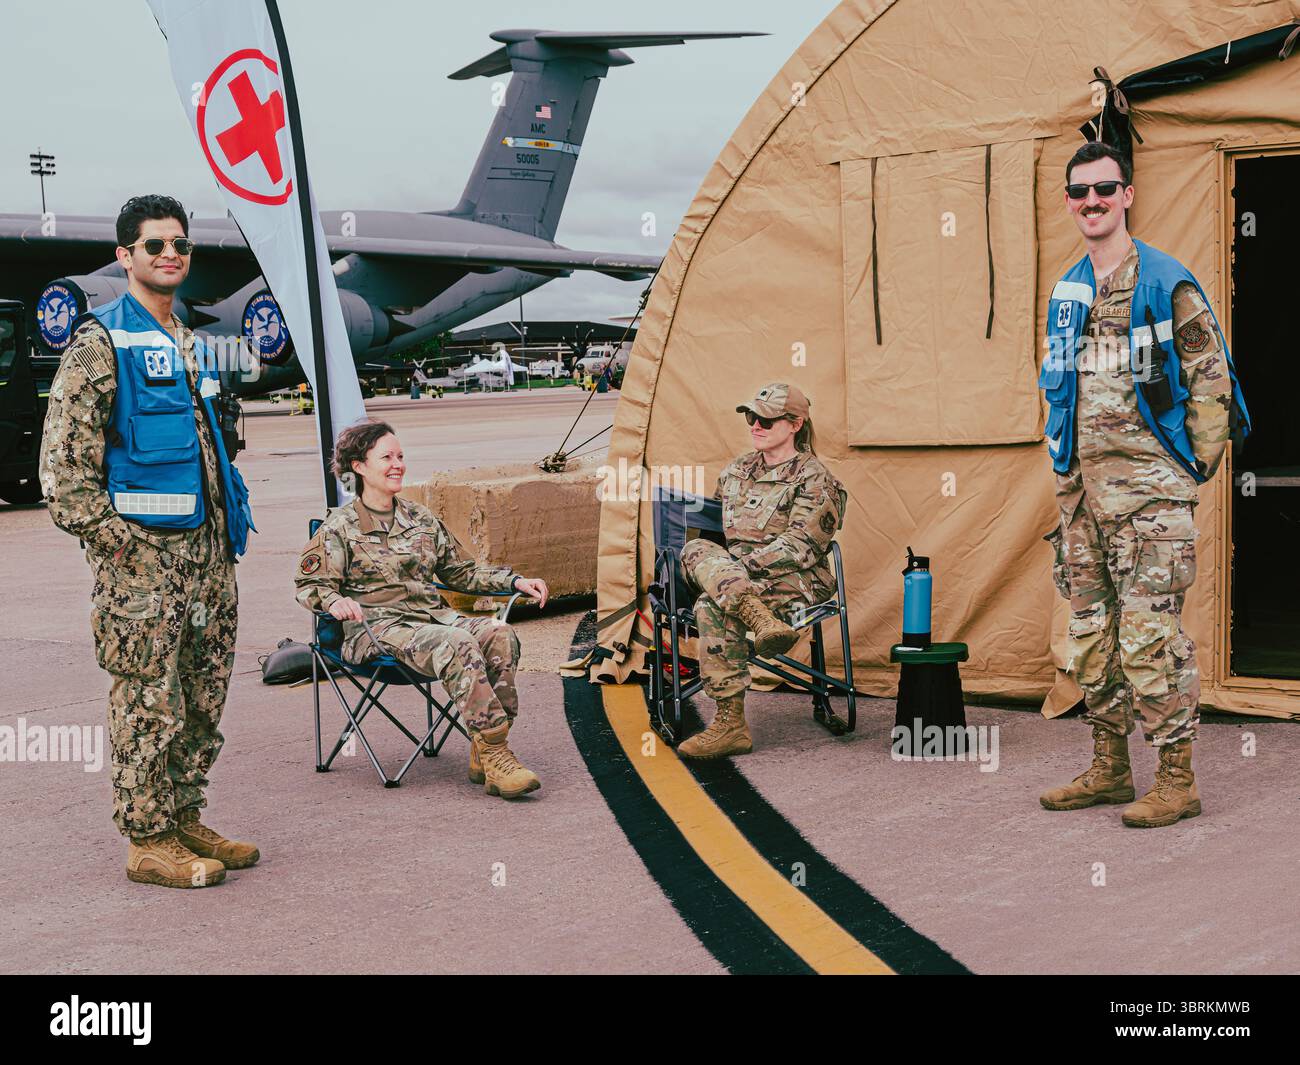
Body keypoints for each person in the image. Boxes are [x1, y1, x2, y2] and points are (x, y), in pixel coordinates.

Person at [39, 194, 258, 888]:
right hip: (146, 572)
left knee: (201, 697)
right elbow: (63, 474)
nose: (172, 254)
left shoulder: (186, 341)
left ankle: (184, 815)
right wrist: (122, 548)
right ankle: (146, 837)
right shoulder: (99, 344)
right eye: (155, 244)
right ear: (124, 256)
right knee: (148, 702)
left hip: (207, 563)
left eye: (181, 244)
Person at [1038, 142, 1250, 827]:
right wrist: (1066, 469)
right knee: (1091, 633)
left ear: (1127, 194)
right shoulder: (1068, 289)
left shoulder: (1164, 280)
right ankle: (1109, 767)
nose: (1092, 201)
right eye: (1079, 192)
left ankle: (1177, 779)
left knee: (1148, 637)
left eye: (1105, 188)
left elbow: (1210, 379)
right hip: (1082, 499)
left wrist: (1189, 470)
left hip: (1151, 500)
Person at [295, 420, 550, 798]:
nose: (397, 464)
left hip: (432, 620)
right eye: (386, 457)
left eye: (400, 456)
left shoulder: (421, 518)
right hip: (376, 632)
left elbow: (461, 571)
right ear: (358, 466)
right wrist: (336, 601)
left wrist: (513, 582)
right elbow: (309, 585)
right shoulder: (339, 528)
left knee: (499, 633)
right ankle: (497, 754)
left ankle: (486, 747)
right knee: (456, 642)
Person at [675, 382, 847, 759]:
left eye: (766, 420)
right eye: (751, 417)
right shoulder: (736, 470)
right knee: (694, 548)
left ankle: (729, 724)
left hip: (795, 577)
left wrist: (740, 568)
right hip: (736, 575)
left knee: (711, 604)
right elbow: (713, 536)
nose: (755, 425)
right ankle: (758, 618)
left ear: (795, 424)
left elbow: (802, 546)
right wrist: (726, 568)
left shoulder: (815, 479)